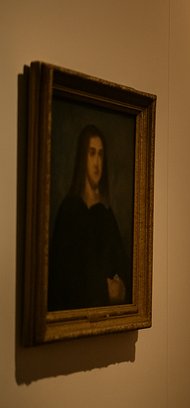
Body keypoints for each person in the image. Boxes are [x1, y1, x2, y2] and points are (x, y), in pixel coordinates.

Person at [49, 124, 131, 311]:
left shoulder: (107, 213)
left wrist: (122, 287)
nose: (97, 163)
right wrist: (104, 290)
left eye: (101, 154)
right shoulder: (70, 210)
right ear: (82, 157)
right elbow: (64, 278)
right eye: (91, 153)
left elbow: (122, 265)